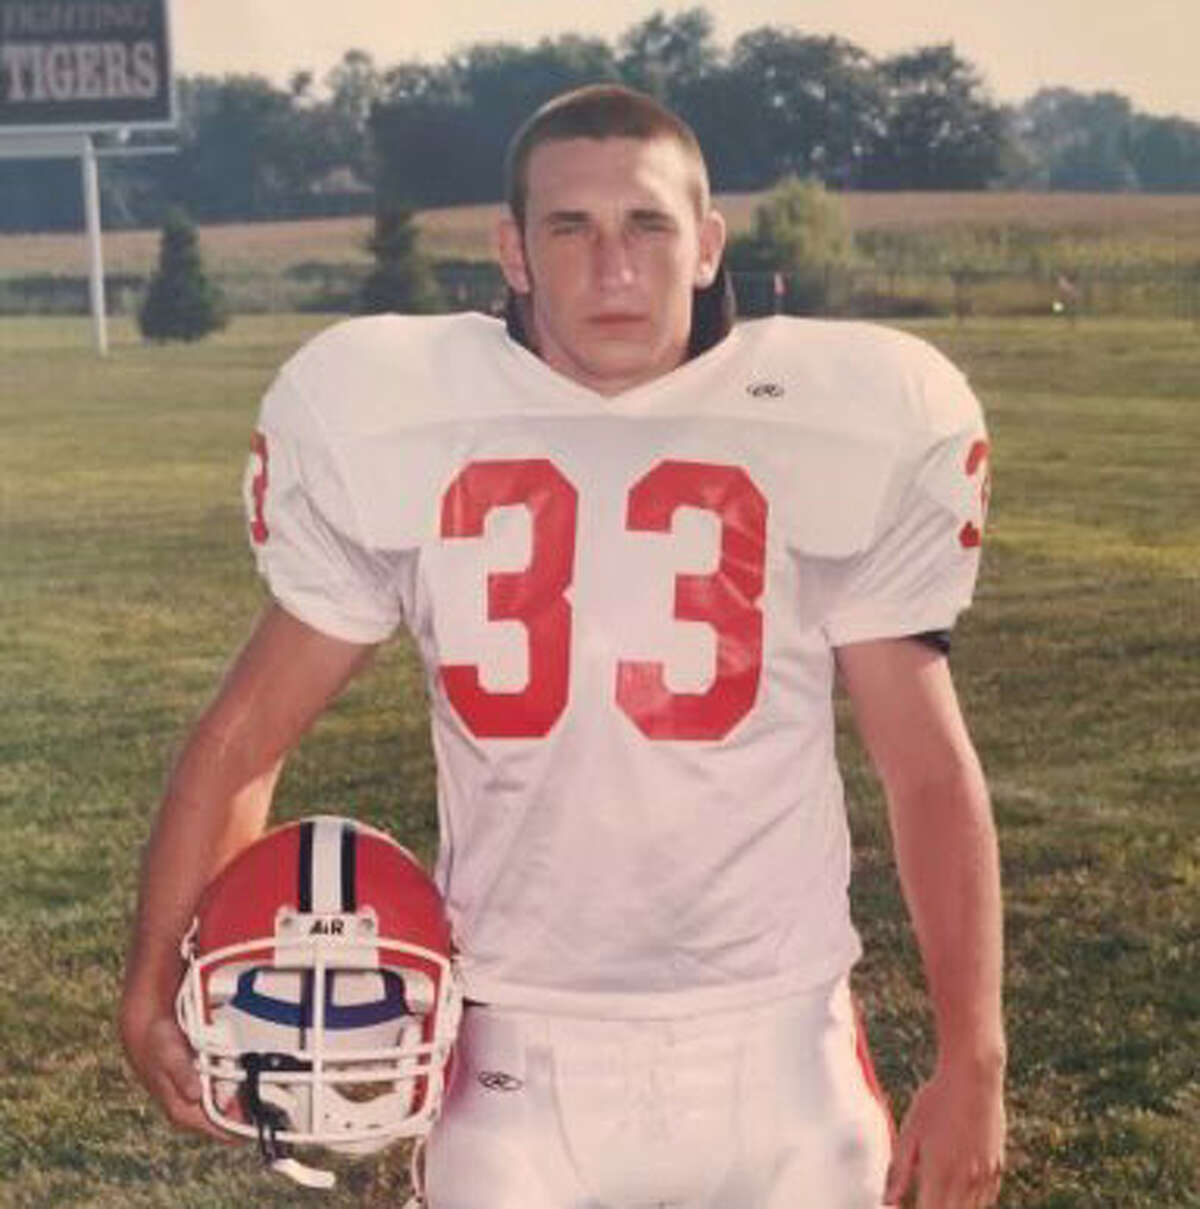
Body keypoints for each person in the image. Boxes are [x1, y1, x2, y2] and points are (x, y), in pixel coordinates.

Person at [120, 84, 1005, 1209]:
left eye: (646, 225)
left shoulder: (835, 425)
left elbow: (927, 769)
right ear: (514, 251)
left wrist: (974, 1052)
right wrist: (153, 974)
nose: (613, 267)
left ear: (705, 246)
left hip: (779, 1044)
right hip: (514, 1057)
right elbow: (245, 736)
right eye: (570, 229)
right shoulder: (404, 421)